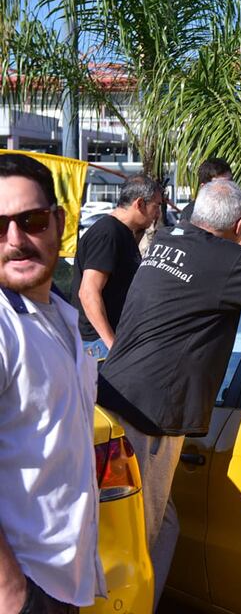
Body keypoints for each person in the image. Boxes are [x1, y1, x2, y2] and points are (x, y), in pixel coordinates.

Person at [97, 178, 241, 609]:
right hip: (152, 415)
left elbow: (237, 273)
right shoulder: (225, 262)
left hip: (115, 396)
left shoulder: (169, 239)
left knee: (161, 526)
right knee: (141, 534)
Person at [0, 153, 105, 612]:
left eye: (32, 220)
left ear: (59, 221)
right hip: (25, 584)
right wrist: (11, 591)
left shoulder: (59, 313)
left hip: (63, 580)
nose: (14, 240)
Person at [70, 174, 163, 359]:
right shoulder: (108, 233)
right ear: (139, 204)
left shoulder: (123, 232)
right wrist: (112, 345)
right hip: (99, 344)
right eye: (156, 205)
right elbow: (88, 293)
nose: (158, 213)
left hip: (110, 341)